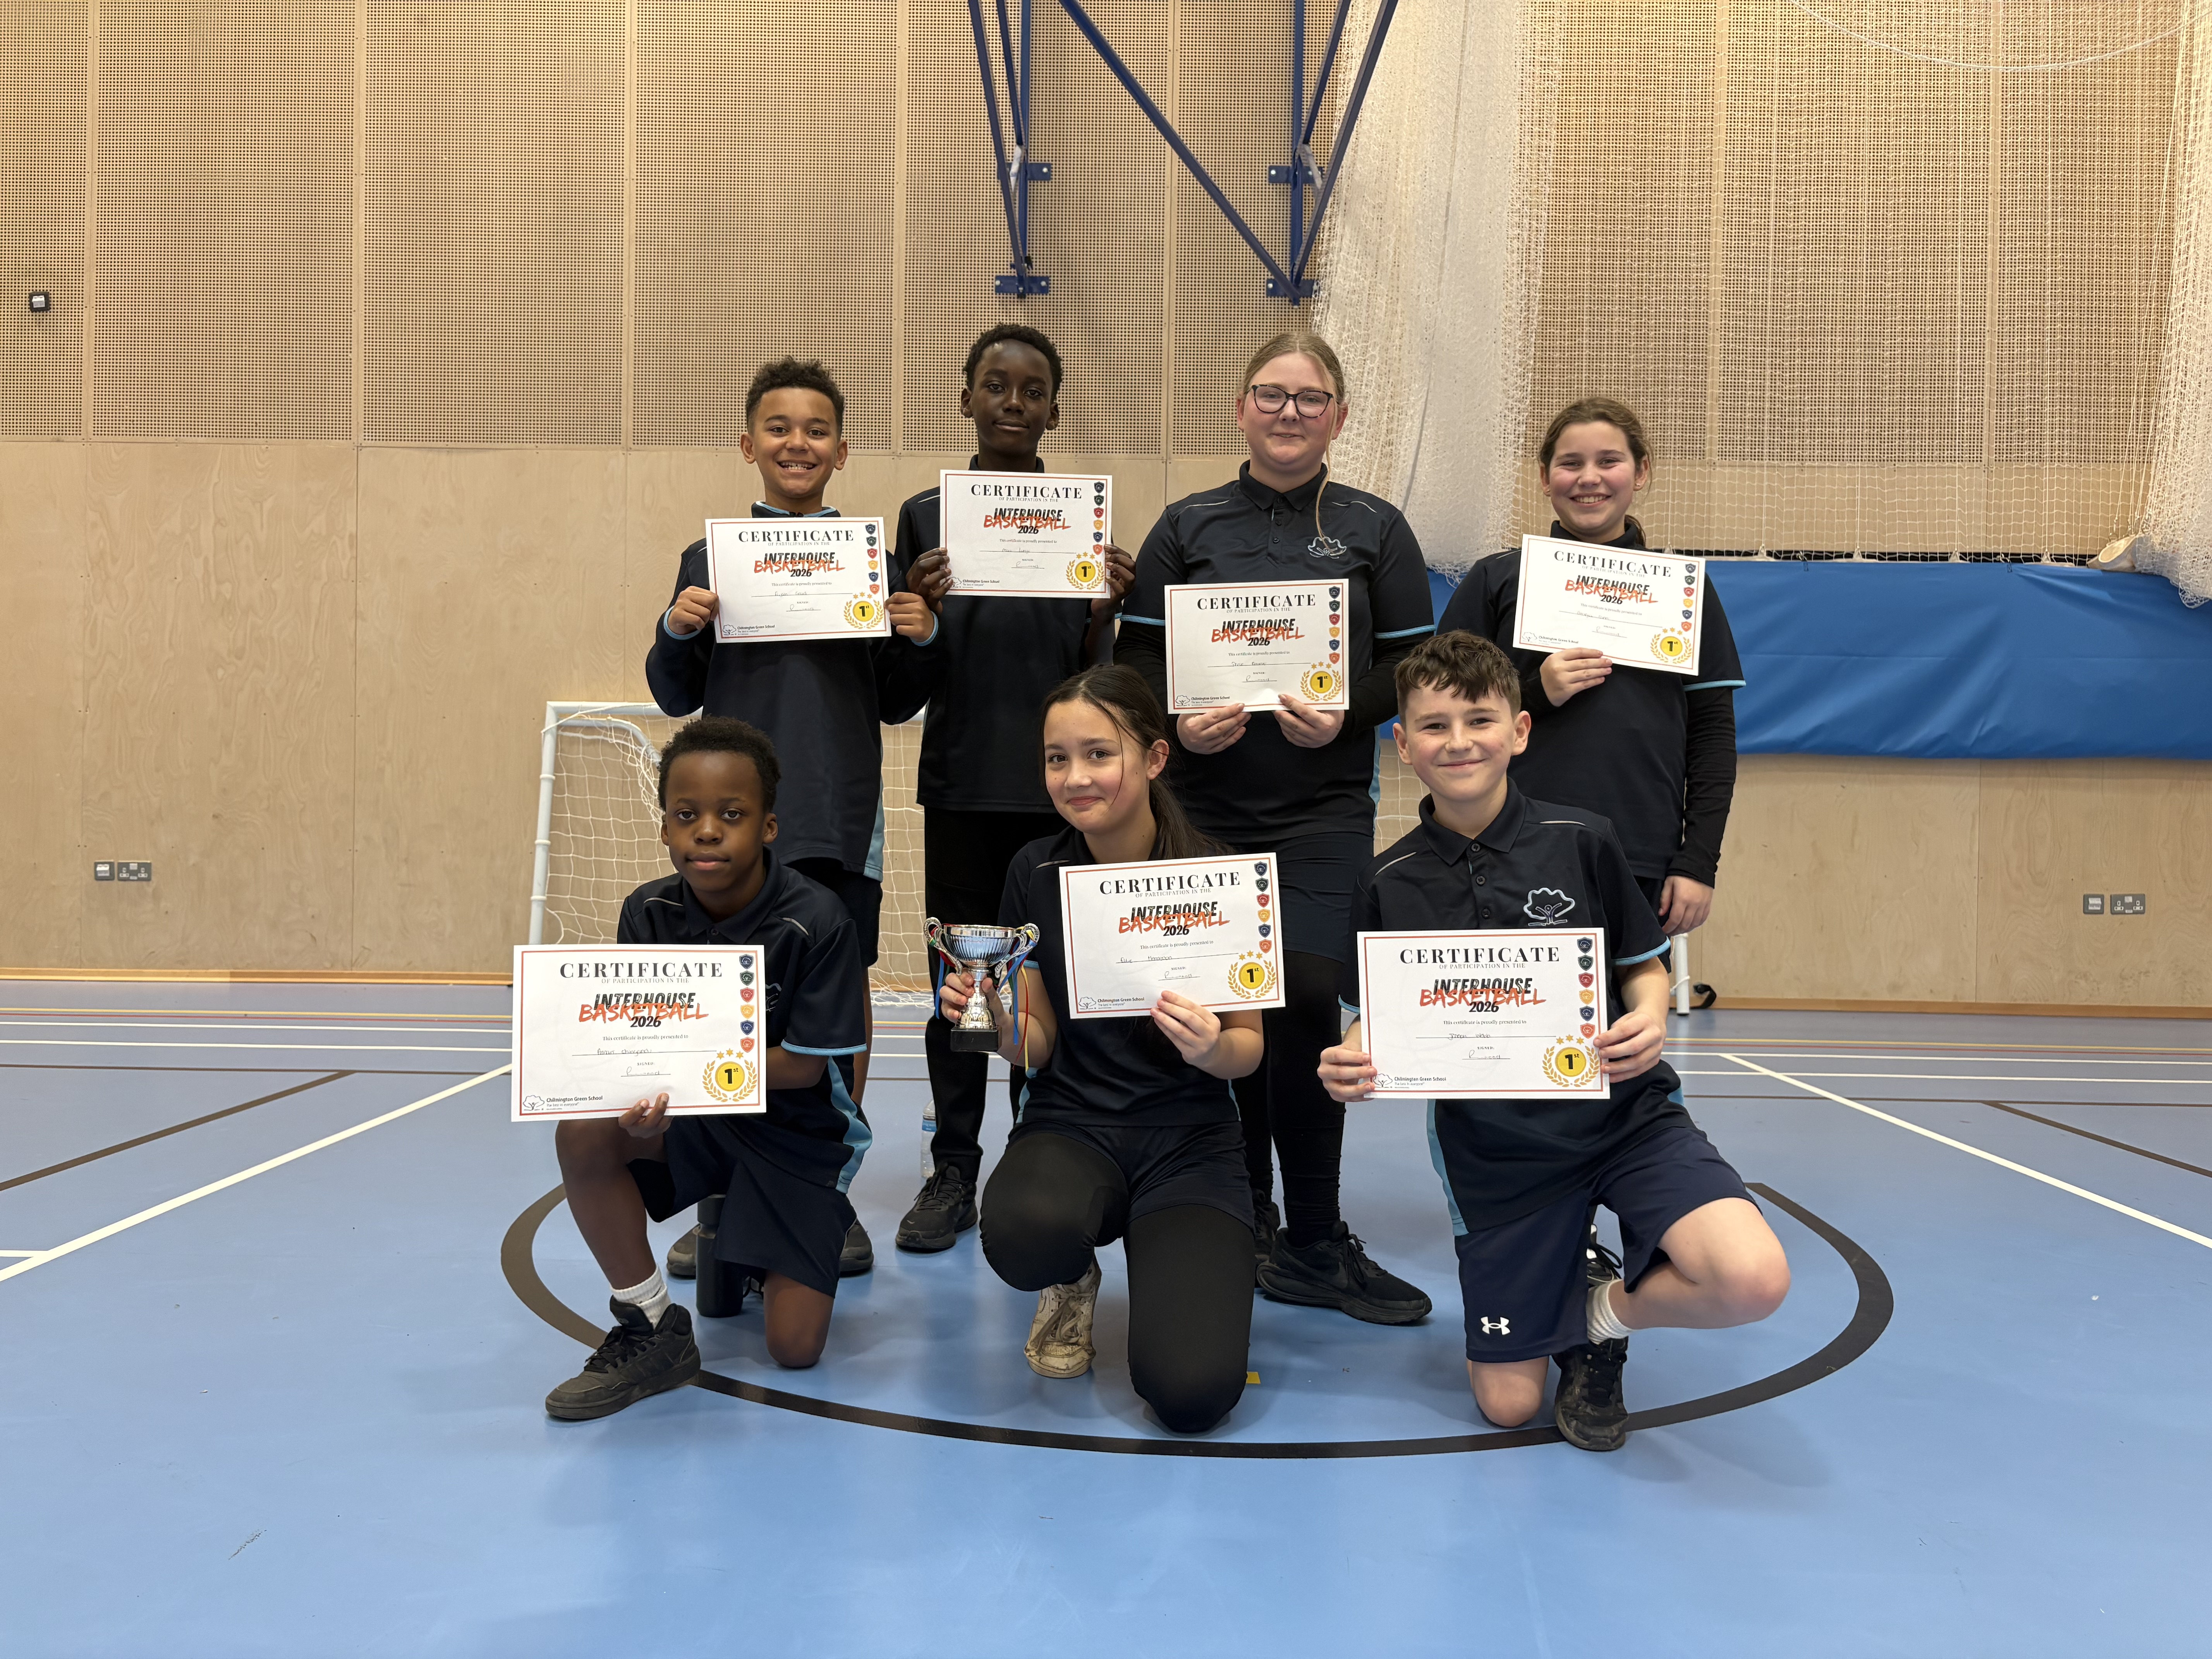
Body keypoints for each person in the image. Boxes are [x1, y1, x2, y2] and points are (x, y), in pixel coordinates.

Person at [1320, 632, 1789, 1451]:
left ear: (1521, 731)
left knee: (1752, 1279)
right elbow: (1372, 1015)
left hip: (1623, 1117)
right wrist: (1349, 1057)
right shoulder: (1386, 881)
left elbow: (1643, 970)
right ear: (1402, 745)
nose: (1459, 742)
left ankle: (1601, 1312)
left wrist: (1651, 1016)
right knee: (1507, 1406)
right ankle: (1563, 1280)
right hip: (1499, 1156)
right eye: (1433, 726)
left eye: (1479, 719)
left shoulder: (1585, 838)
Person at [1116, 329, 1435, 1323]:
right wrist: (1176, 726)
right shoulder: (1186, 526)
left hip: (1321, 818)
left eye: (1310, 397)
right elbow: (1132, 671)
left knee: (1305, 1009)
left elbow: (1414, 668)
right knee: (1226, 1019)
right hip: (1202, 816)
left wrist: (1353, 708)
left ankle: (1314, 1236)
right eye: (1271, 393)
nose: (1289, 411)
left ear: (1339, 416)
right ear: (1242, 408)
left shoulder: (1378, 529)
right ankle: (1246, 1217)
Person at [647, 356, 946, 1280]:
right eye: (779, 429)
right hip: (731, 826)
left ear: (841, 451)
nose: (797, 444)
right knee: (723, 1011)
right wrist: (678, 625)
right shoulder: (711, 560)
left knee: (833, 1012)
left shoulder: (874, 562)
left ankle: (823, 1193)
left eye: (816, 431)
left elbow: (899, 702)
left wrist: (921, 635)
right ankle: (720, 1198)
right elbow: (671, 693)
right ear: (749, 446)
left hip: (838, 815)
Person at [938, 665, 1261, 1434]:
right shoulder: (1035, 871)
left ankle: (1179, 1268)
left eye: (1098, 754)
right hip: (1074, 1125)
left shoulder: (1215, 874)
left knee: (1190, 1397)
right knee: (1022, 1234)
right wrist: (996, 1024)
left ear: (1153, 758)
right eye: (1057, 758)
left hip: (1190, 1145)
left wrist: (1212, 1044)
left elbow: (1248, 1052)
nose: (1076, 777)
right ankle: (1071, 1273)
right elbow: (1039, 1045)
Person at [545, 717, 872, 1420]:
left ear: (770, 827)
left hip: (796, 1137)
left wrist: (684, 1068)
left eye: (732, 815)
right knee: (583, 1132)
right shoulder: (648, 911)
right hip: (698, 1121)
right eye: (686, 815)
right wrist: (636, 1093)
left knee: (794, 1349)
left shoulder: (818, 921)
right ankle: (651, 1324)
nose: (707, 831)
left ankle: (749, 1239)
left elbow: (804, 1073)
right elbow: (634, 1048)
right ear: (664, 828)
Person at [889, 324, 1137, 1254]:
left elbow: (1095, 673)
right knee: (966, 994)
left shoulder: (1082, 522)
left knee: (1053, 994)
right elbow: (900, 690)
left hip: (1060, 803)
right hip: (961, 790)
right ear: (967, 400)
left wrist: (1107, 611)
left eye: (1033, 391)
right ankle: (954, 1167)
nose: (1013, 403)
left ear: (1053, 411)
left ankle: (1040, 1149)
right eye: (995, 386)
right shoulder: (923, 519)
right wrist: (918, 618)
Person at [1435, 397, 1744, 939]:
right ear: (1544, 477)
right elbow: (1441, 714)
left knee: (1629, 1019)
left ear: (1642, 472)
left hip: (1639, 847)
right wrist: (1534, 693)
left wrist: (1697, 863)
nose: (1589, 479)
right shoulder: (1498, 579)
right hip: (1504, 844)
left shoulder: (1681, 592)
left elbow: (1713, 736)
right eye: (1571, 463)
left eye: (1609, 461)